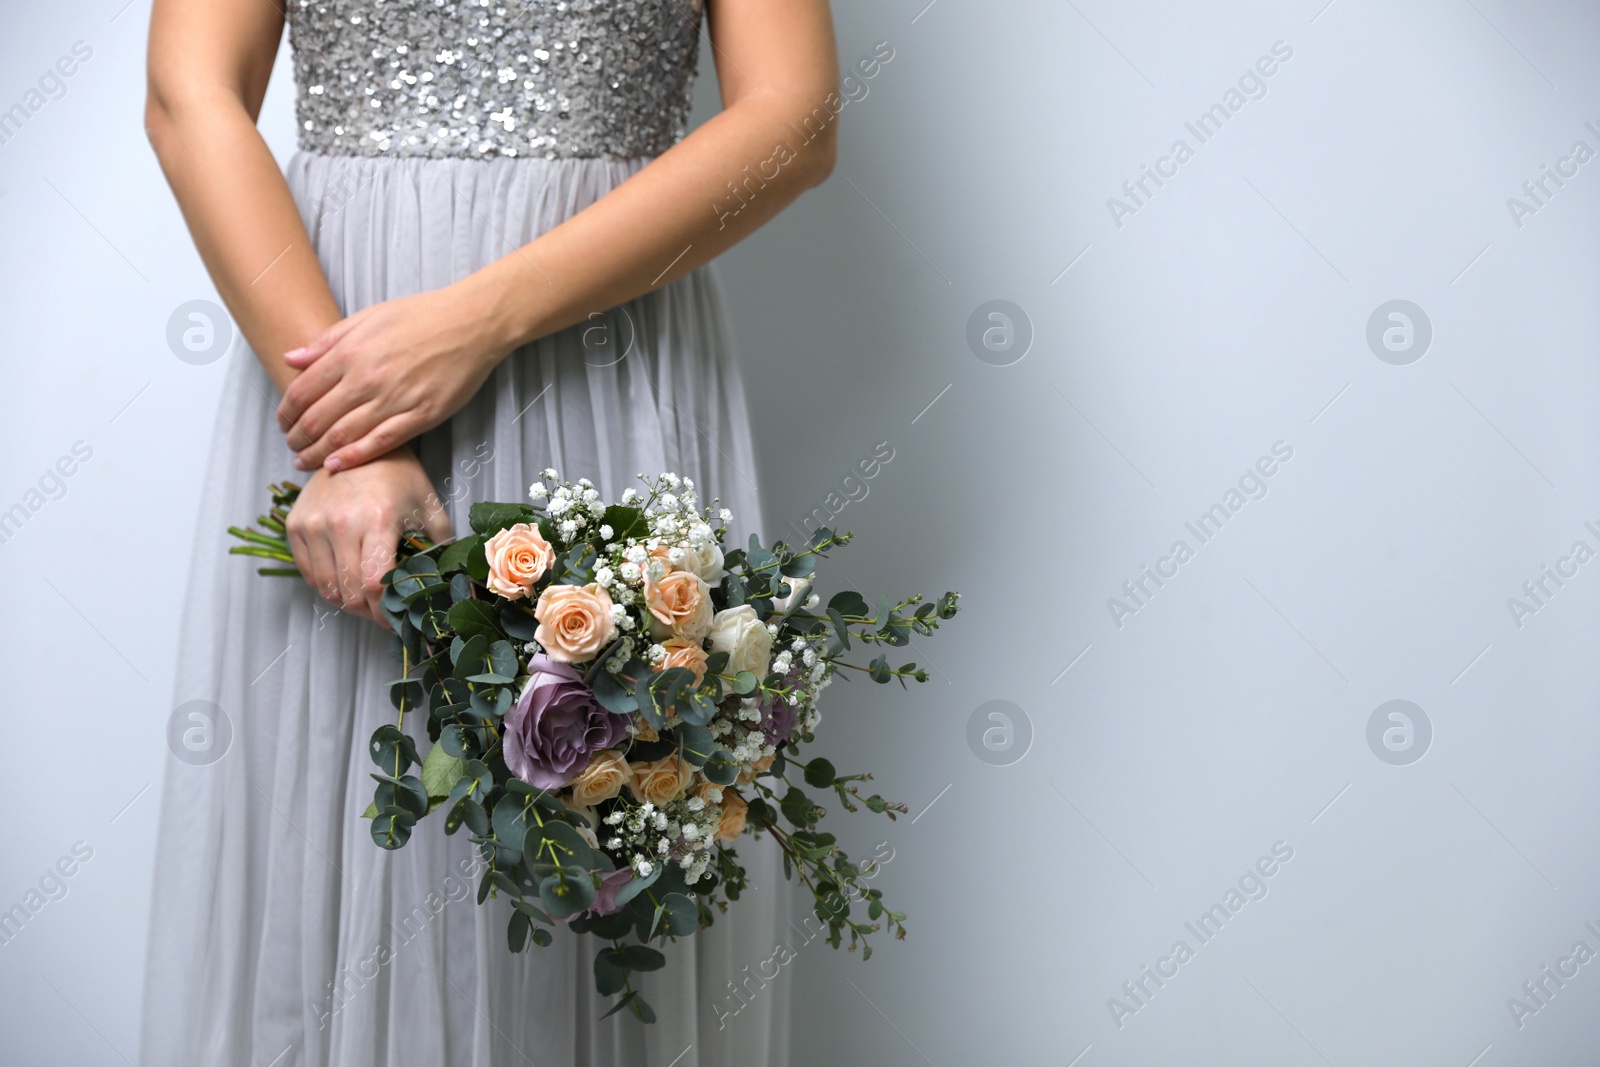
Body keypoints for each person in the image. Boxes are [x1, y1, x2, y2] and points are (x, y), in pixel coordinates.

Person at [139, 1, 838, 1063]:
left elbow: (793, 117)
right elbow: (189, 96)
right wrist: (352, 438)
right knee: (348, 836)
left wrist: (482, 318)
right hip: (331, 340)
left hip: (606, 347)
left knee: (589, 843)